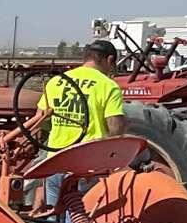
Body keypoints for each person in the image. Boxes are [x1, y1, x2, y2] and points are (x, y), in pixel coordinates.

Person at [33, 39, 127, 210]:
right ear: (110, 60)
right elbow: (115, 128)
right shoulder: (108, 86)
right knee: (78, 222)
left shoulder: (57, 81)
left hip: (55, 160)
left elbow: (40, 120)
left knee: (52, 220)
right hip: (87, 165)